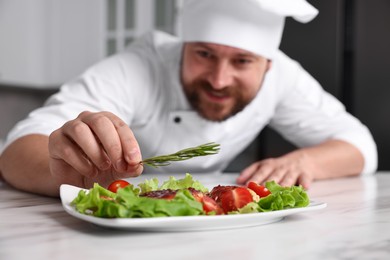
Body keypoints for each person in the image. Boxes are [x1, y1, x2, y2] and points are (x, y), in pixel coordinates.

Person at [0, 0, 377, 197]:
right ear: (183, 46)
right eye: (204, 54)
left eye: (242, 61)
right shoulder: (138, 67)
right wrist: (65, 171)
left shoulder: (285, 76)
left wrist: (304, 160)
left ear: (267, 65)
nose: (218, 78)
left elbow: (361, 144)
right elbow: (17, 150)